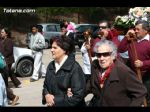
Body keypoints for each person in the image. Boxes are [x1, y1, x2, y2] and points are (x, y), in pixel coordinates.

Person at [86, 39, 147, 106]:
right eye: (98, 55)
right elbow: (91, 83)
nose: (101, 58)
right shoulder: (95, 65)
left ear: (113, 55)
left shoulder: (123, 71)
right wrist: (77, 92)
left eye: (105, 54)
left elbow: (141, 92)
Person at [42, 36, 86, 107]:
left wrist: (55, 100)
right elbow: (46, 85)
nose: (51, 50)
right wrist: (46, 95)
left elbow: (78, 95)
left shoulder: (74, 67)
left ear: (64, 50)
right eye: (51, 47)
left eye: (55, 48)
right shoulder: (51, 65)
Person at [118, 20, 150, 106]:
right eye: (135, 29)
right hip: (133, 74)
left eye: (138, 29)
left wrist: (143, 64)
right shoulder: (132, 39)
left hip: (147, 76)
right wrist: (126, 37)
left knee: (147, 99)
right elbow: (120, 49)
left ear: (146, 30)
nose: (135, 31)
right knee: (135, 97)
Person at [0, 27, 19, 106]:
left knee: (3, 82)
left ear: (6, 33)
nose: (1, 33)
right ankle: (9, 97)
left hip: (6, 61)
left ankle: (12, 97)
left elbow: (9, 51)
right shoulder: (1, 40)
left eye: (2, 32)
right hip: (3, 61)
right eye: (1, 32)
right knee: (4, 82)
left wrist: (1, 56)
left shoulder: (9, 41)